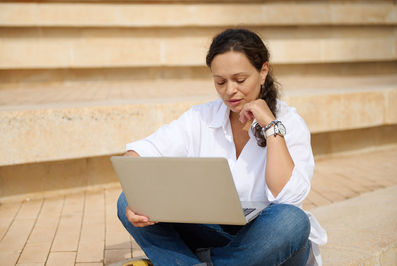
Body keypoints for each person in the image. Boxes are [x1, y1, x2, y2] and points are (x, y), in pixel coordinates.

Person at [117, 28, 327, 266]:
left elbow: (288, 196)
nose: (229, 91)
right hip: (211, 232)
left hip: (266, 241)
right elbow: (139, 153)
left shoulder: (289, 122)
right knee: (127, 200)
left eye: (239, 80)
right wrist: (138, 194)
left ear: (263, 72)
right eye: (220, 82)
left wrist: (270, 126)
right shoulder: (201, 117)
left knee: (292, 221)